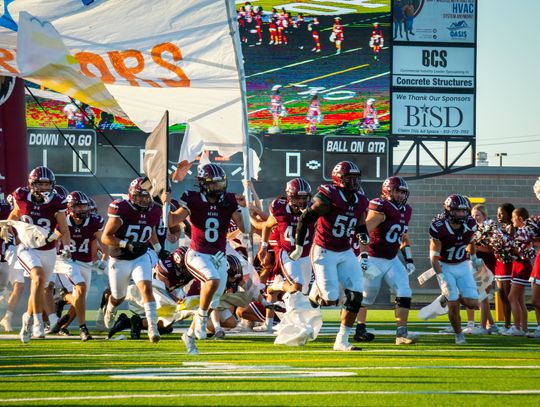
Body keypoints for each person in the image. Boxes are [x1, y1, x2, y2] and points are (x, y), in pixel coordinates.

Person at [291, 161, 369, 351]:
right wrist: (299, 245)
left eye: (356, 178)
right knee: (330, 298)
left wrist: (362, 232)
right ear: (339, 179)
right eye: (349, 178)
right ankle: (313, 294)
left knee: (356, 294)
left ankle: (342, 340)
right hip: (324, 249)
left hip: (345, 250)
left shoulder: (360, 198)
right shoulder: (328, 197)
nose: (354, 182)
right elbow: (305, 218)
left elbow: (358, 219)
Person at [170, 163, 245, 354]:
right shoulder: (193, 198)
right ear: (203, 184)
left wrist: (244, 208)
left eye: (221, 184)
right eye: (214, 184)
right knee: (212, 280)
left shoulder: (228, 200)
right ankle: (202, 320)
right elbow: (171, 221)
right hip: (197, 253)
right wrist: (164, 204)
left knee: (213, 301)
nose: (219, 189)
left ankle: (188, 335)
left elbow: (245, 228)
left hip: (219, 256)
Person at [7, 166, 71, 343]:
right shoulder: (20, 196)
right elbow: (15, 216)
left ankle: (26, 318)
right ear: (32, 184)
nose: (44, 187)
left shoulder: (56, 201)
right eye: (40, 184)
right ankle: (37, 323)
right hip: (27, 248)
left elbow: (63, 229)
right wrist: (6, 227)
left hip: (47, 250)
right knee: (37, 278)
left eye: (47, 184)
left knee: (40, 285)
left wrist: (64, 246)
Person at [101, 177, 164, 343]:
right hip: (119, 258)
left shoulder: (154, 210)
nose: (144, 199)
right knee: (118, 296)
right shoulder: (121, 208)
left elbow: (149, 229)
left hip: (140, 257)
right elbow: (105, 237)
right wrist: (125, 244)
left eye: (146, 196)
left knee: (146, 288)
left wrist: (158, 249)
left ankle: (152, 328)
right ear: (132, 196)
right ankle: (110, 307)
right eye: (140, 196)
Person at [355, 176, 416, 345]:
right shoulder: (380, 207)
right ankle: (359, 328)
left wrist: (409, 259)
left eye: (403, 192)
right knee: (367, 297)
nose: (400, 195)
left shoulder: (406, 210)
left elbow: (403, 236)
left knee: (405, 291)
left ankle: (401, 334)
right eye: (397, 191)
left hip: (392, 259)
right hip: (373, 257)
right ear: (387, 191)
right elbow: (363, 231)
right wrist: (364, 255)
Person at [429, 194, 479, 345]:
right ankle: (459, 335)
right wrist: (441, 278)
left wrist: (475, 258)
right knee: (453, 302)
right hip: (445, 266)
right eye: (458, 211)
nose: (462, 214)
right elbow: (434, 258)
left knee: (472, 303)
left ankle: (450, 296)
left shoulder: (470, 223)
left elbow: (471, 241)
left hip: (462, 264)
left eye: (464, 211)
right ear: (449, 211)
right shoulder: (439, 227)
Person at [55, 191, 103, 341]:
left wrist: (107, 256)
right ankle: (83, 329)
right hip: (66, 261)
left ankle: (61, 326)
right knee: (80, 291)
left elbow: (102, 241)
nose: (82, 210)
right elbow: (53, 239)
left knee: (81, 299)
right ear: (69, 208)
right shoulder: (63, 221)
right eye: (79, 207)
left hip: (85, 263)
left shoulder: (94, 221)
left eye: (84, 207)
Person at [259, 178, 314, 298]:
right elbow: (267, 226)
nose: (302, 201)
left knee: (303, 293)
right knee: (296, 286)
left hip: (306, 256)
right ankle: (276, 286)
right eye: (298, 198)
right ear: (289, 197)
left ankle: (279, 290)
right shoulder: (280, 208)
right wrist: (263, 247)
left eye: (304, 198)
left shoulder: (313, 210)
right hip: (288, 254)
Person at [503, 208, 534, 336]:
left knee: (512, 297)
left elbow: (523, 252)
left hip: (522, 266)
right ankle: (524, 327)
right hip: (518, 266)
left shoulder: (524, 231)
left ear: (520, 219)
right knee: (519, 299)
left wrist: (507, 247)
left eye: (513, 217)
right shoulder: (522, 231)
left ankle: (517, 327)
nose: (511, 220)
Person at [468, 205, 498, 334]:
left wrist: (474, 247)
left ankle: (482, 326)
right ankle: (491, 324)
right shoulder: (471, 229)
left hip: (487, 265)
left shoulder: (490, 228)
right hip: (474, 264)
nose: (475, 218)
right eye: (473, 215)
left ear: (484, 216)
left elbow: (490, 249)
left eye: (478, 215)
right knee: (478, 296)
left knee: (482, 295)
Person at [491, 203, 515, 332]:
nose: (498, 215)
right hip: (499, 265)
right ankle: (507, 324)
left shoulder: (512, 228)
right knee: (502, 297)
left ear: (509, 214)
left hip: (507, 265)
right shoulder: (502, 228)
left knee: (508, 297)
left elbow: (511, 246)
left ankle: (511, 324)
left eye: (502, 213)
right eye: (498, 213)